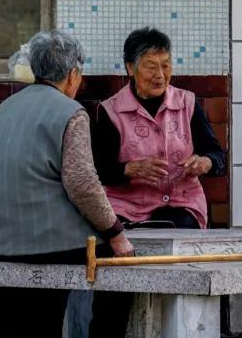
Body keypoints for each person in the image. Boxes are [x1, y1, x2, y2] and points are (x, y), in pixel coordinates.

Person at [0, 30, 135, 338]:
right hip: (45, 240)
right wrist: (115, 232)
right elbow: (82, 183)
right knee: (121, 261)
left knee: (59, 246)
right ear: (73, 74)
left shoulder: (4, 109)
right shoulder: (71, 113)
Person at [92, 27, 226, 229]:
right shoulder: (111, 111)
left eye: (165, 65)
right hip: (127, 208)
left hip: (182, 204)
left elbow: (217, 155)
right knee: (123, 238)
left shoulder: (186, 104)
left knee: (175, 231)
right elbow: (100, 169)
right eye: (151, 67)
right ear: (130, 68)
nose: (160, 75)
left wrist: (205, 162)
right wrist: (130, 169)